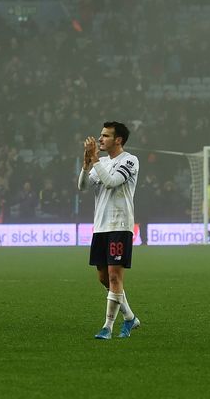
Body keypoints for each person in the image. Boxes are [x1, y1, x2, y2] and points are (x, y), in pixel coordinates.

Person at [78, 121, 140, 340]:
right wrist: (87, 164)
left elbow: (112, 182)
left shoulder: (130, 161)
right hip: (101, 226)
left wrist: (95, 160)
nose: (100, 139)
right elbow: (83, 187)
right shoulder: (101, 162)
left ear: (118, 140)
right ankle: (130, 317)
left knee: (114, 277)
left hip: (120, 225)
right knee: (104, 278)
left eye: (105, 136)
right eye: (100, 134)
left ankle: (108, 327)